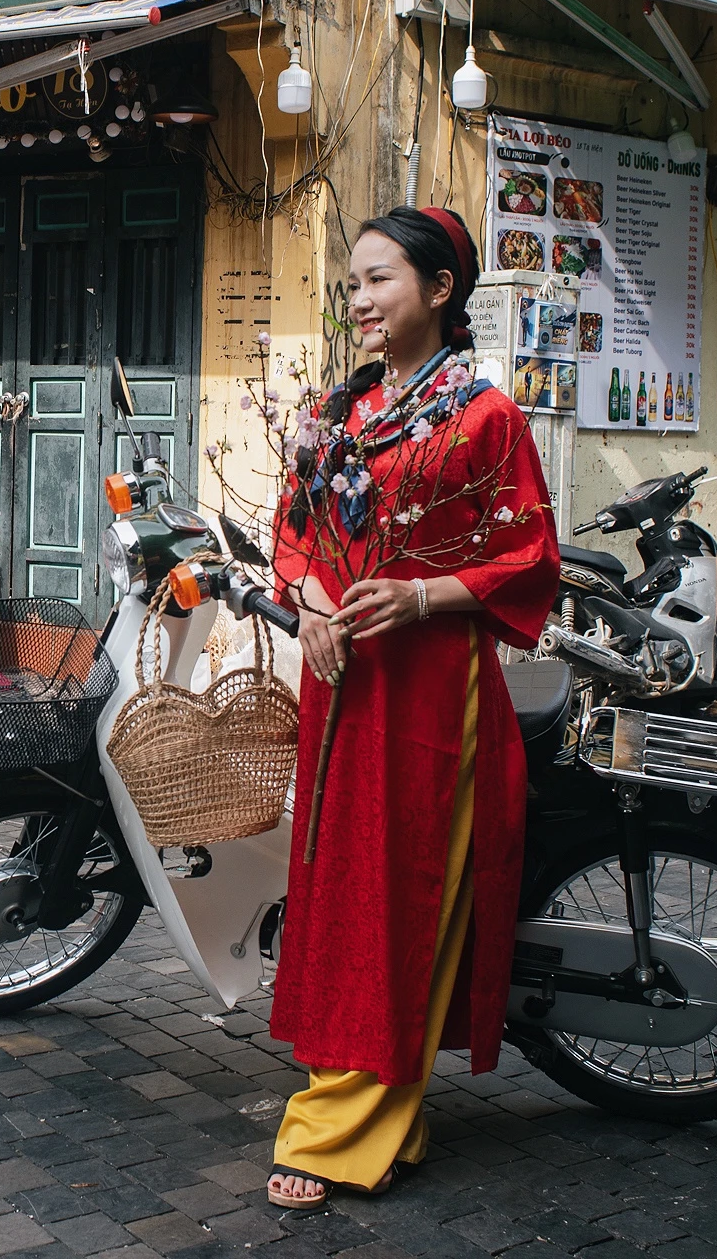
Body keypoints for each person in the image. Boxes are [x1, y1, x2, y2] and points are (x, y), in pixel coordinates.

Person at [264, 207, 559, 1206]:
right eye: (352, 282)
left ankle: (337, 1127)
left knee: (400, 890)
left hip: (429, 687)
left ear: (439, 289)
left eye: (379, 279)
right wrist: (311, 600)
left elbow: (527, 555)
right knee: (335, 885)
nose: (360, 299)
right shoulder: (335, 411)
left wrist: (420, 596)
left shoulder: (484, 417)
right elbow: (295, 528)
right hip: (339, 673)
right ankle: (380, 1109)